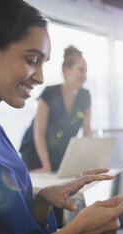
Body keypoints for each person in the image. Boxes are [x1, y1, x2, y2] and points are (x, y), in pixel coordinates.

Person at [0, 0, 123, 234]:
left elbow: (14, 229)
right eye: (32, 60)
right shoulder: (48, 98)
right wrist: (75, 233)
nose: (40, 77)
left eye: (44, 64)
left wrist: (42, 202)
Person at [20, 45, 92, 173]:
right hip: (36, 153)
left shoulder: (85, 96)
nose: (84, 75)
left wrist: (91, 161)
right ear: (66, 71)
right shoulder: (49, 93)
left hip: (60, 154)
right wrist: (46, 164)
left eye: (86, 71)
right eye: (81, 70)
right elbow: (39, 133)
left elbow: (87, 132)